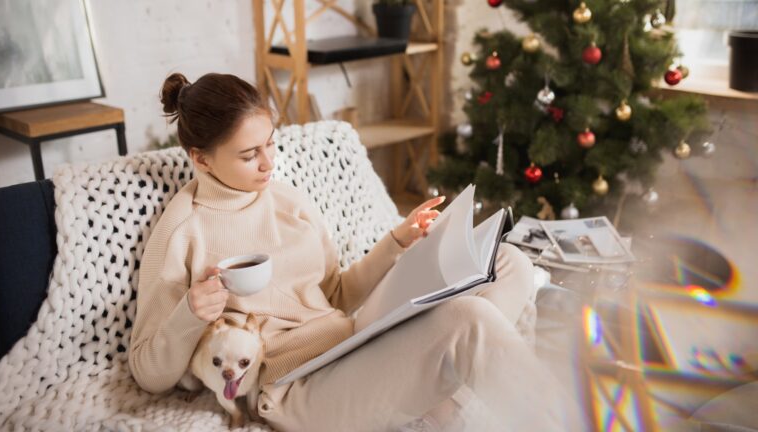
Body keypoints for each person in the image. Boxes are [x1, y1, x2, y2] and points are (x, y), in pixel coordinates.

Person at [128, 72, 574, 431]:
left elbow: (337, 294)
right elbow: (147, 373)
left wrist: (397, 242)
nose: (268, 163)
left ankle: (438, 394)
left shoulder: (286, 200)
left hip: (349, 339)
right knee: (468, 320)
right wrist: (191, 313)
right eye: (249, 155)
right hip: (295, 389)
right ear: (201, 159)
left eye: (270, 143)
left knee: (508, 262)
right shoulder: (183, 230)